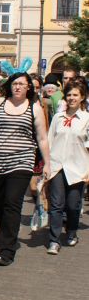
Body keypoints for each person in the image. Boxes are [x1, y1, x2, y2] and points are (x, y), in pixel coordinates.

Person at [0, 72, 50, 267]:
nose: (17, 87)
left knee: (12, 203)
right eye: (15, 83)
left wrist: (47, 163)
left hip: (21, 161)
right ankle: (5, 238)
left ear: (28, 88)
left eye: (22, 84)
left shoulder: (34, 108)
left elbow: (42, 138)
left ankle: (6, 250)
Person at [46, 79, 89, 254]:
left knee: (73, 205)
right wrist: (46, 165)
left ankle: (71, 232)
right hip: (57, 166)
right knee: (56, 205)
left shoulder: (86, 119)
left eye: (75, 95)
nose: (71, 98)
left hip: (78, 168)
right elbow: (49, 141)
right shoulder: (58, 117)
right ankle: (54, 240)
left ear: (82, 97)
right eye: (69, 94)